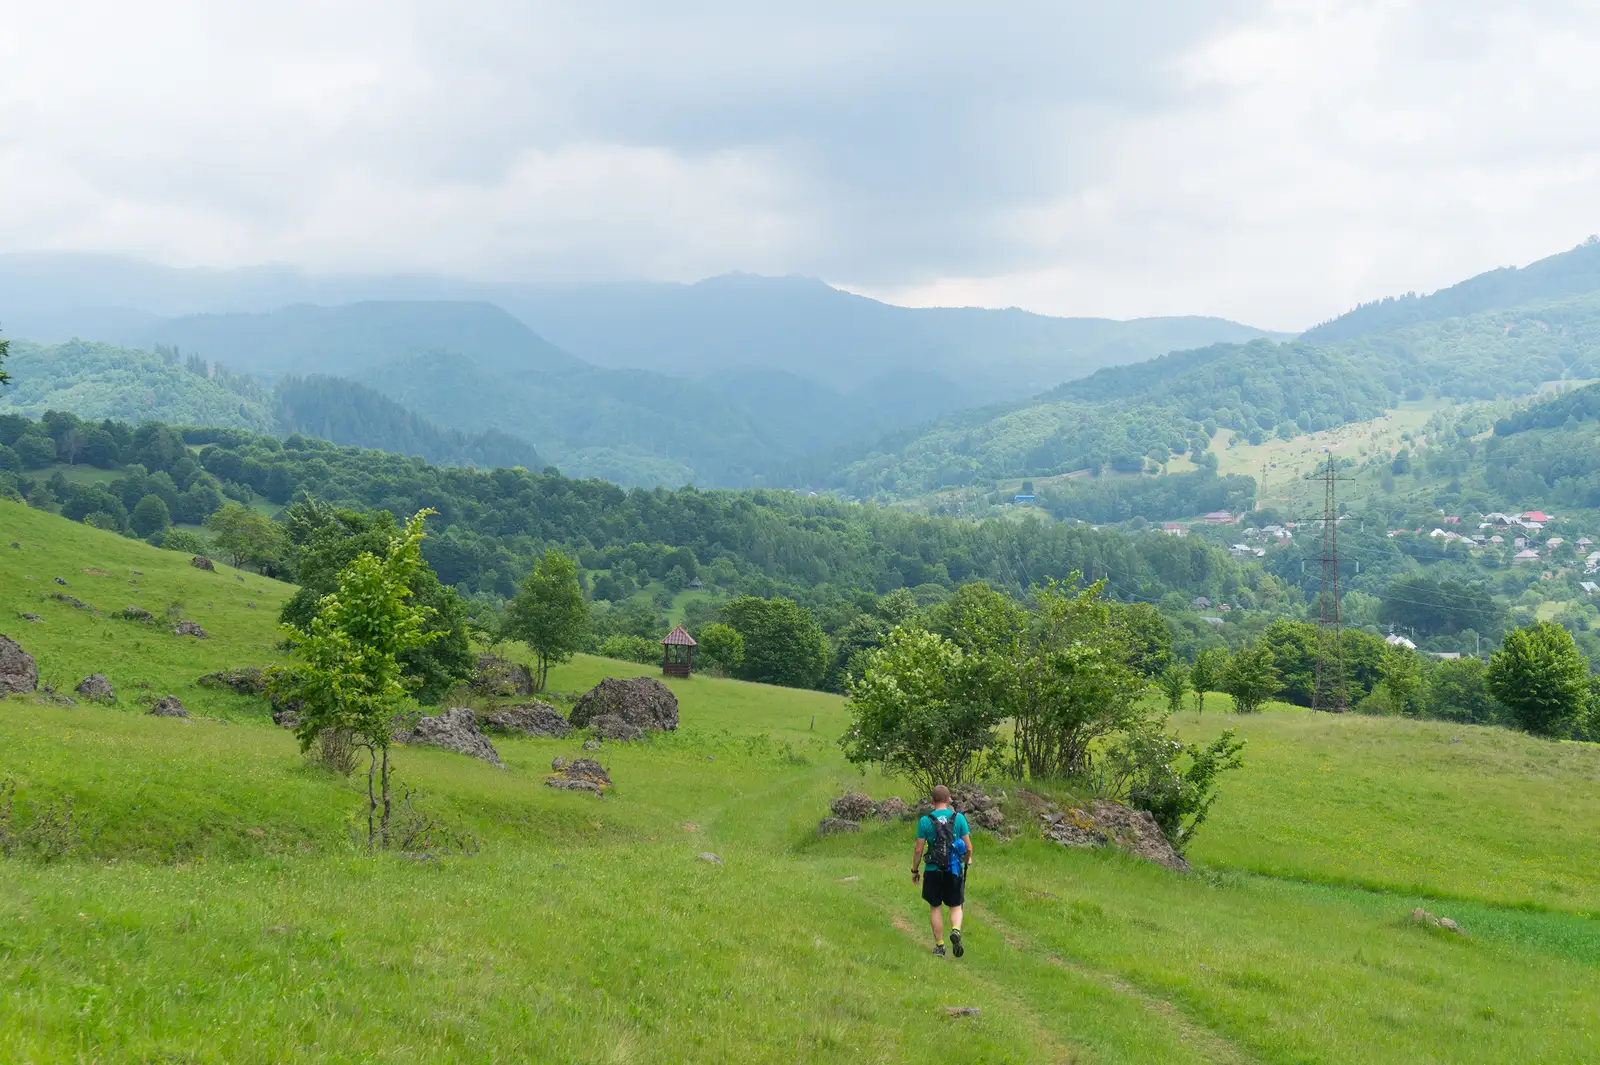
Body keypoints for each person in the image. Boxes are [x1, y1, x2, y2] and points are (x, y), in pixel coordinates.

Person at [911, 784, 972, 958]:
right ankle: (956, 931)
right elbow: (968, 847)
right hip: (953, 869)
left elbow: (918, 849)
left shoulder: (925, 821)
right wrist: (967, 859)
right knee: (956, 905)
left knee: (935, 907)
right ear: (948, 799)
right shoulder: (958, 818)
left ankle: (940, 946)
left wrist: (914, 870)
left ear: (932, 801)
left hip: (933, 869)